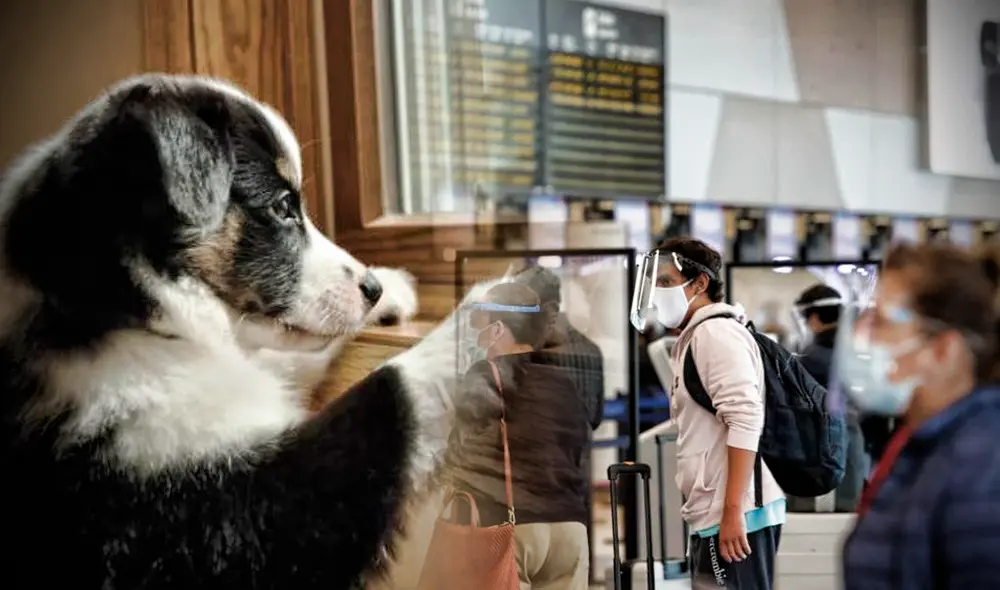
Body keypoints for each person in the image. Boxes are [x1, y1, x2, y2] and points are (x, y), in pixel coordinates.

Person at [839, 241, 1000, 589]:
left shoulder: (984, 467)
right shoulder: (923, 443)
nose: (862, 338)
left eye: (881, 323)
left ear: (942, 349)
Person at [651, 237, 784, 590]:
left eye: (665, 282)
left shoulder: (715, 334)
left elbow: (745, 420)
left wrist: (732, 512)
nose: (657, 292)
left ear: (700, 284)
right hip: (716, 511)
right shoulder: (698, 335)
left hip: (738, 515)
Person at [449, 281, 592, 590]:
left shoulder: (484, 375)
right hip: (570, 531)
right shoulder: (564, 383)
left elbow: (455, 455)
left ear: (498, 329)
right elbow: (579, 450)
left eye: (479, 320)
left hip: (510, 532)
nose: (475, 329)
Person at [788, 285, 867, 512]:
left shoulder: (811, 357)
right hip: (852, 448)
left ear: (812, 318)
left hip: (818, 454)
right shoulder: (854, 348)